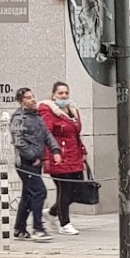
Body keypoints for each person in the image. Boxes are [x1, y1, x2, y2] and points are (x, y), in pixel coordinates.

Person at [8, 87, 57, 242]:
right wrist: (33, 156)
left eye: (33, 96)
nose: (33, 99)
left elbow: (46, 134)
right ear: (21, 101)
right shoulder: (19, 118)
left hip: (36, 162)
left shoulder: (36, 116)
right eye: (28, 98)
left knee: (28, 195)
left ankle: (20, 229)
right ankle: (38, 228)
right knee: (39, 192)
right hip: (25, 163)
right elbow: (19, 142)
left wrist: (55, 150)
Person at [40, 80, 88, 236]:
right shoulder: (48, 110)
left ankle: (52, 212)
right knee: (65, 189)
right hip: (59, 155)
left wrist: (83, 151)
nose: (64, 95)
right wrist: (47, 156)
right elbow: (46, 134)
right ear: (53, 95)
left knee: (77, 190)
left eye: (66, 93)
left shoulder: (72, 110)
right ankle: (64, 223)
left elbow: (76, 134)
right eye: (60, 93)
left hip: (75, 155)